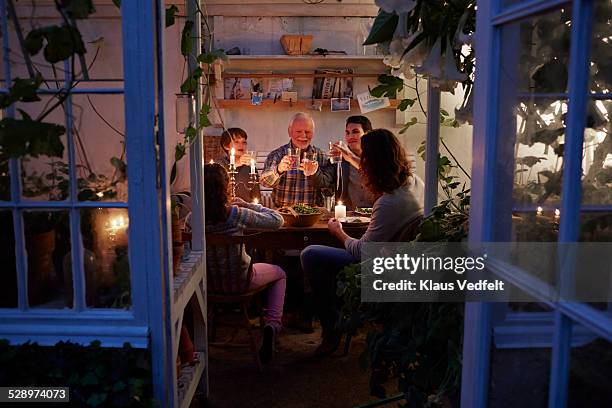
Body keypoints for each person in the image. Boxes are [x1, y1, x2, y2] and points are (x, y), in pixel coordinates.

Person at [301, 129, 424, 356]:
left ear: (374, 163)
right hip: (397, 259)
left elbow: (361, 252)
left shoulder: (388, 203)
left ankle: (332, 327)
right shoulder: (413, 182)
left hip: (380, 267)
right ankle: (338, 314)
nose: (362, 163)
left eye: (365, 158)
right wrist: (349, 156)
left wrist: (338, 231)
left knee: (311, 254)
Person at [204, 163, 285, 363]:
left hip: (209, 284)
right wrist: (247, 204)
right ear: (225, 188)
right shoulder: (235, 214)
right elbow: (277, 220)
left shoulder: (192, 219)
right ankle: (272, 325)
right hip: (241, 280)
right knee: (280, 273)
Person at [260, 112, 333, 208]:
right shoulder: (277, 154)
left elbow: (329, 191)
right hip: (284, 213)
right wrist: (279, 169)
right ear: (290, 132)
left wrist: (315, 174)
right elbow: (265, 182)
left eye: (308, 132)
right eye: (298, 131)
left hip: (312, 215)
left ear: (313, 133)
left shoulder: (321, 156)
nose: (303, 136)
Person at [325, 115, 374, 209]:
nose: (350, 136)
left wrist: (349, 156)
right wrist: (313, 170)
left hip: (376, 214)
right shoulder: (339, 158)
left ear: (367, 134)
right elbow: (323, 181)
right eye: (347, 133)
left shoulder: (379, 158)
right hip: (349, 217)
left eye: (355, 132)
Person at [215, 127, 261, 202]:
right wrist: (236, 164)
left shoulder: (250, 167)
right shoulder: (219, 164)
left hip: (247, 209)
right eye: (236, 142)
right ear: (226, 146)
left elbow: (256, 195)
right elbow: (217, 189)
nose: (241, 145)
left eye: (244, 142)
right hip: (227, 209)